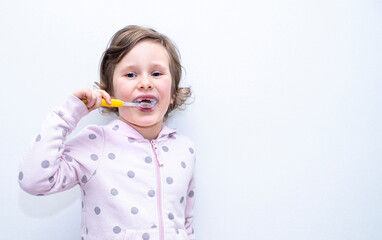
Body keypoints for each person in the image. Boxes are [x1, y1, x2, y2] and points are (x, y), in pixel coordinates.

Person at [19, 25, 196, 240]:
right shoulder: (97, 142)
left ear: (172, 94)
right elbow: (33, 180)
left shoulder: (184, 148)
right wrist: (67, 115)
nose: (145, 83)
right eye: (130, 74)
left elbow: (185, 223)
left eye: (157, 73)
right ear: (110, 93)